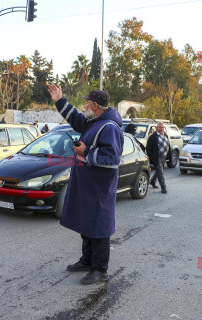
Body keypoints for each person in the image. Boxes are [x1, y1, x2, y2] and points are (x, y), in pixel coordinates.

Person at [48, 84, 124, 285]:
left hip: (99, 187)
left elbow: (112, 158)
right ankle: (87, 260)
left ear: (95, 105)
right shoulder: (94, 121)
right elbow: (76, 119)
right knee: (87, 224)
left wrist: (86, 152)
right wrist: (59, 100)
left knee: (99, 227)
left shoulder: (109, 127)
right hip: (87, 185)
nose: (84, 106)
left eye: (86, 103)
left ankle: (100, 270)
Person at [146, 122, 169, 194]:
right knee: (160, 173)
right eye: (160, 127)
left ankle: (152, 181)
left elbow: (168, 145)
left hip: (164, 156)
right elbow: (148, 148)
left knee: (159, 171)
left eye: (162, 127)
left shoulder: (165, 135)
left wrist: (169, 154)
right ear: (156, 128)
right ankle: (163, 188)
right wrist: (151, 157)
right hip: (157, 157)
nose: (161, 129)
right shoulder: (153, 137)